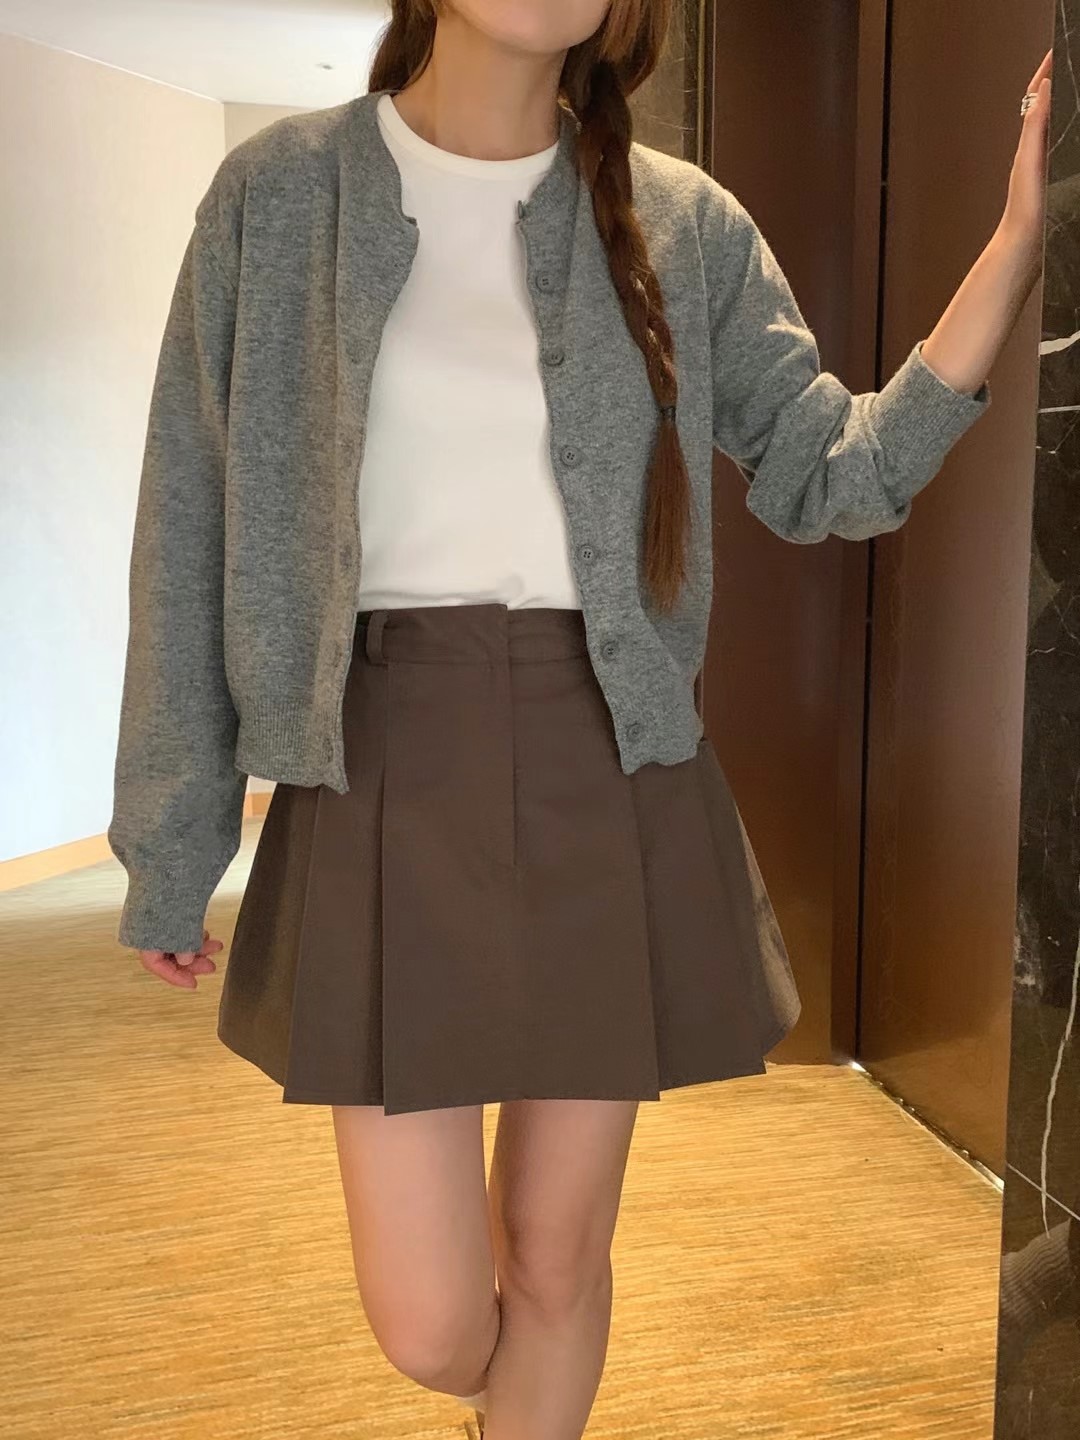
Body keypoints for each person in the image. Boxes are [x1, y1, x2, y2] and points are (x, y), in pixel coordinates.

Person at [107, 3, 1049, 1436]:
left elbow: (833, 474)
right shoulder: (281, 194)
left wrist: (1019, 238)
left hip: (606, 758)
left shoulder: (683, 222)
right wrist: (172, 842)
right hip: (382, 764)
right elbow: (189, 514)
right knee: (429, 1322)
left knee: (557, 1257)